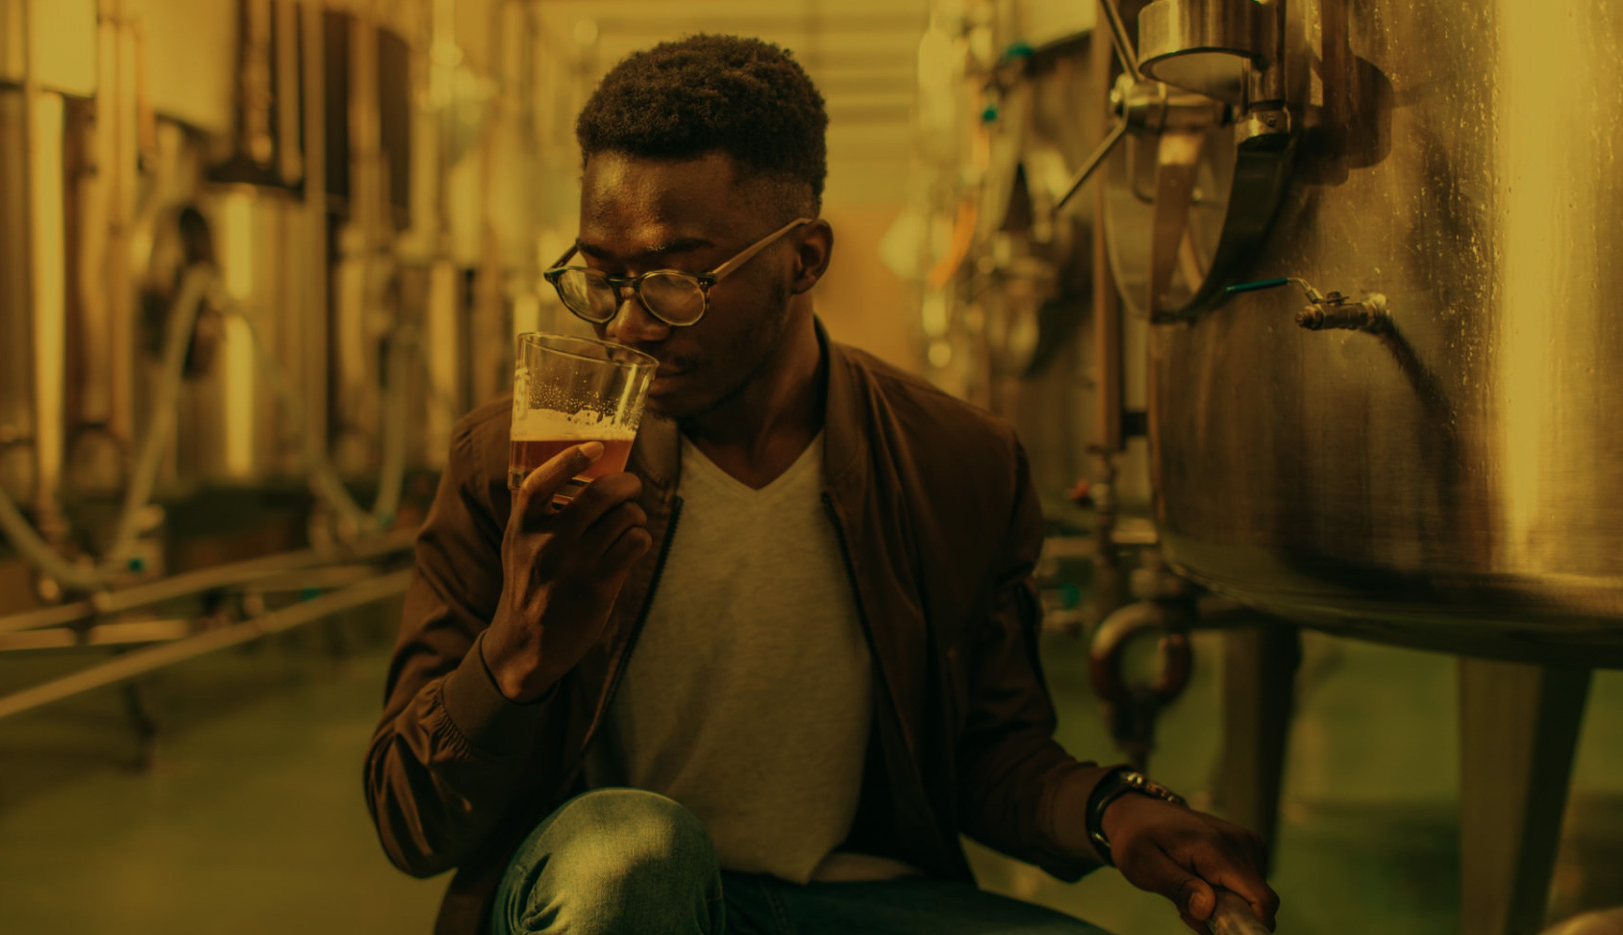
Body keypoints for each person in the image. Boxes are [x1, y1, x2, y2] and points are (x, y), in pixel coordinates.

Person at [365, 33, 1279, 935]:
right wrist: (513, 656)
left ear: (803, 260)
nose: (628, 327)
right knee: (634, 854)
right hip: (604, 891)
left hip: (848, 893)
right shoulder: (517, 463)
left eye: (677, 282)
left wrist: (1113, 808)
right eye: (601, 280)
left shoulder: (955, 464)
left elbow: (985, 753)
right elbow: (407, 820)